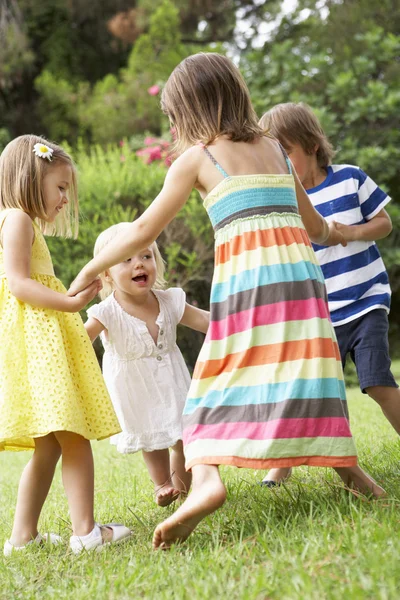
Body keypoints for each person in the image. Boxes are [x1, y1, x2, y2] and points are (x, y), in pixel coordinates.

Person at [68, 53, 385, 550]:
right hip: (302, 284)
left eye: (174, 115)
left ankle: (208, 479)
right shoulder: (277, 151)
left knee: (213, 384)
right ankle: (350, 472)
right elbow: (316, 226)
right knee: (309, 370)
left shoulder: (199, 158)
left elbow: (144, 230)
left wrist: (89, 270)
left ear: (191, 109)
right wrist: (347, 232)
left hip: (247, 287)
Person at [0, 135, 132, 556]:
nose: (63, 199)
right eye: (59, 188)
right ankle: (87, 534)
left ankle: (22, 538)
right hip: (38, 341)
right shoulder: (17, 218)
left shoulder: (18, 220)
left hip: (37, 339)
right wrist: (72, 302)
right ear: (31, 176)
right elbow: (20, 284)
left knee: (51, 442)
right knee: (72, 433)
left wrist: (68, 299)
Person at [259, 101, 399, 487]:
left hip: (366, 301)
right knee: (306, 388)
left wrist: (350, 232)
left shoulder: (350, 179)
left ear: (311, 145)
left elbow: (384, 223)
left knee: (376, 382)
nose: (282, 164)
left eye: (285, 152)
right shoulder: (285, 203)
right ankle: (283, 464)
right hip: (320, 315)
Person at [84, 223, 209, 506]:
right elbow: (81, 341)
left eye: (146, 256)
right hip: (134, 389)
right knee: (150, 437)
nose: (138, 264)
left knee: (184, 438)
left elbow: (205, 321)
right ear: (106, 274)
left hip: (173, 381)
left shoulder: (168, 301)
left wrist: (237, 323)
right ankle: (162, 483)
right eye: (126, 259)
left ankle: (183, 493)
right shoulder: (107, 312)